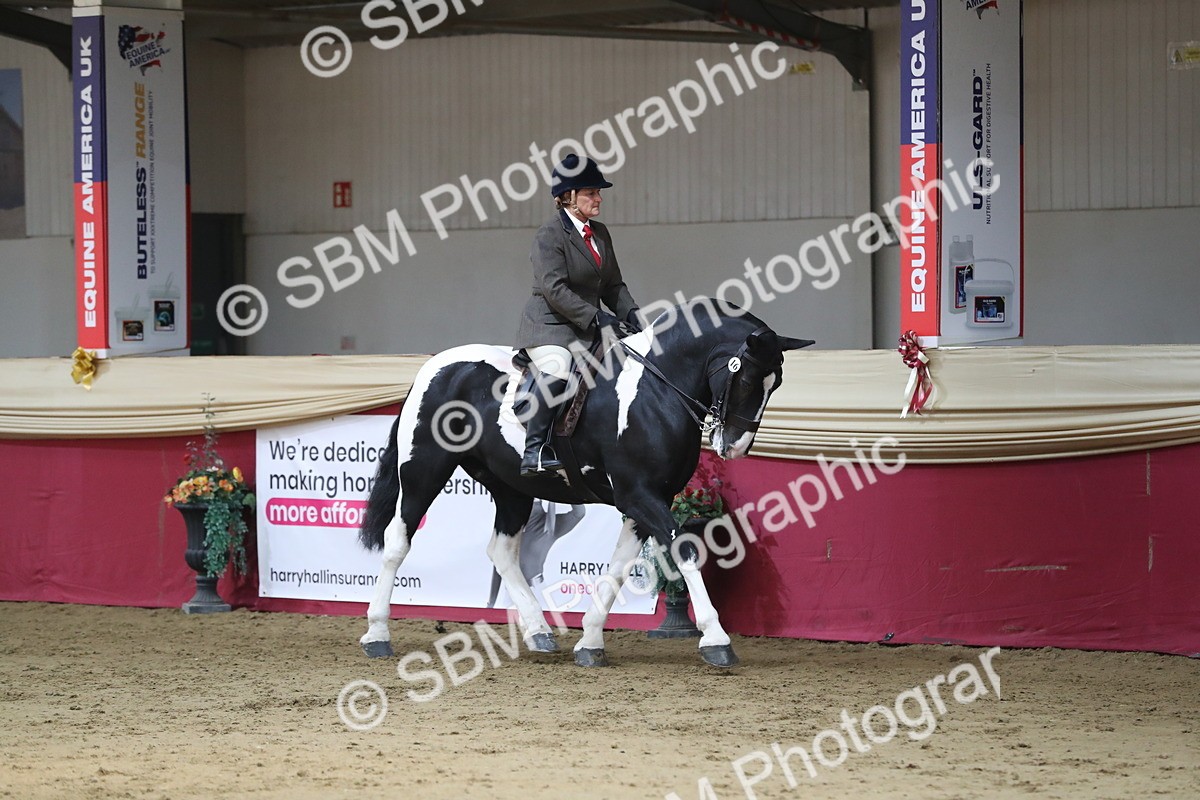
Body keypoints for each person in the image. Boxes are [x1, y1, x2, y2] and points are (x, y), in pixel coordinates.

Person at [513, 154, 641, 476]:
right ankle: (535, 450)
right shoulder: (549, 235)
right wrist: (597, 318)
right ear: (568, 198)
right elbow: (554, 290)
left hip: (586, 327)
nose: (598, 199)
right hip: (550, 327)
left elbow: (613, 286)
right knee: (558, 370)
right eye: (590, 193)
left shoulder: (600, 233)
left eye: (598, 193)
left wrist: (634, 315)